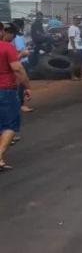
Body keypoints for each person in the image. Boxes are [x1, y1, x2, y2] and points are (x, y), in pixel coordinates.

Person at [0, 22, 32, 171]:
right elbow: (18, 68)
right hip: (5, 90)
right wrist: (27, 86)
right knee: (10, 125)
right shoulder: (7, 47)